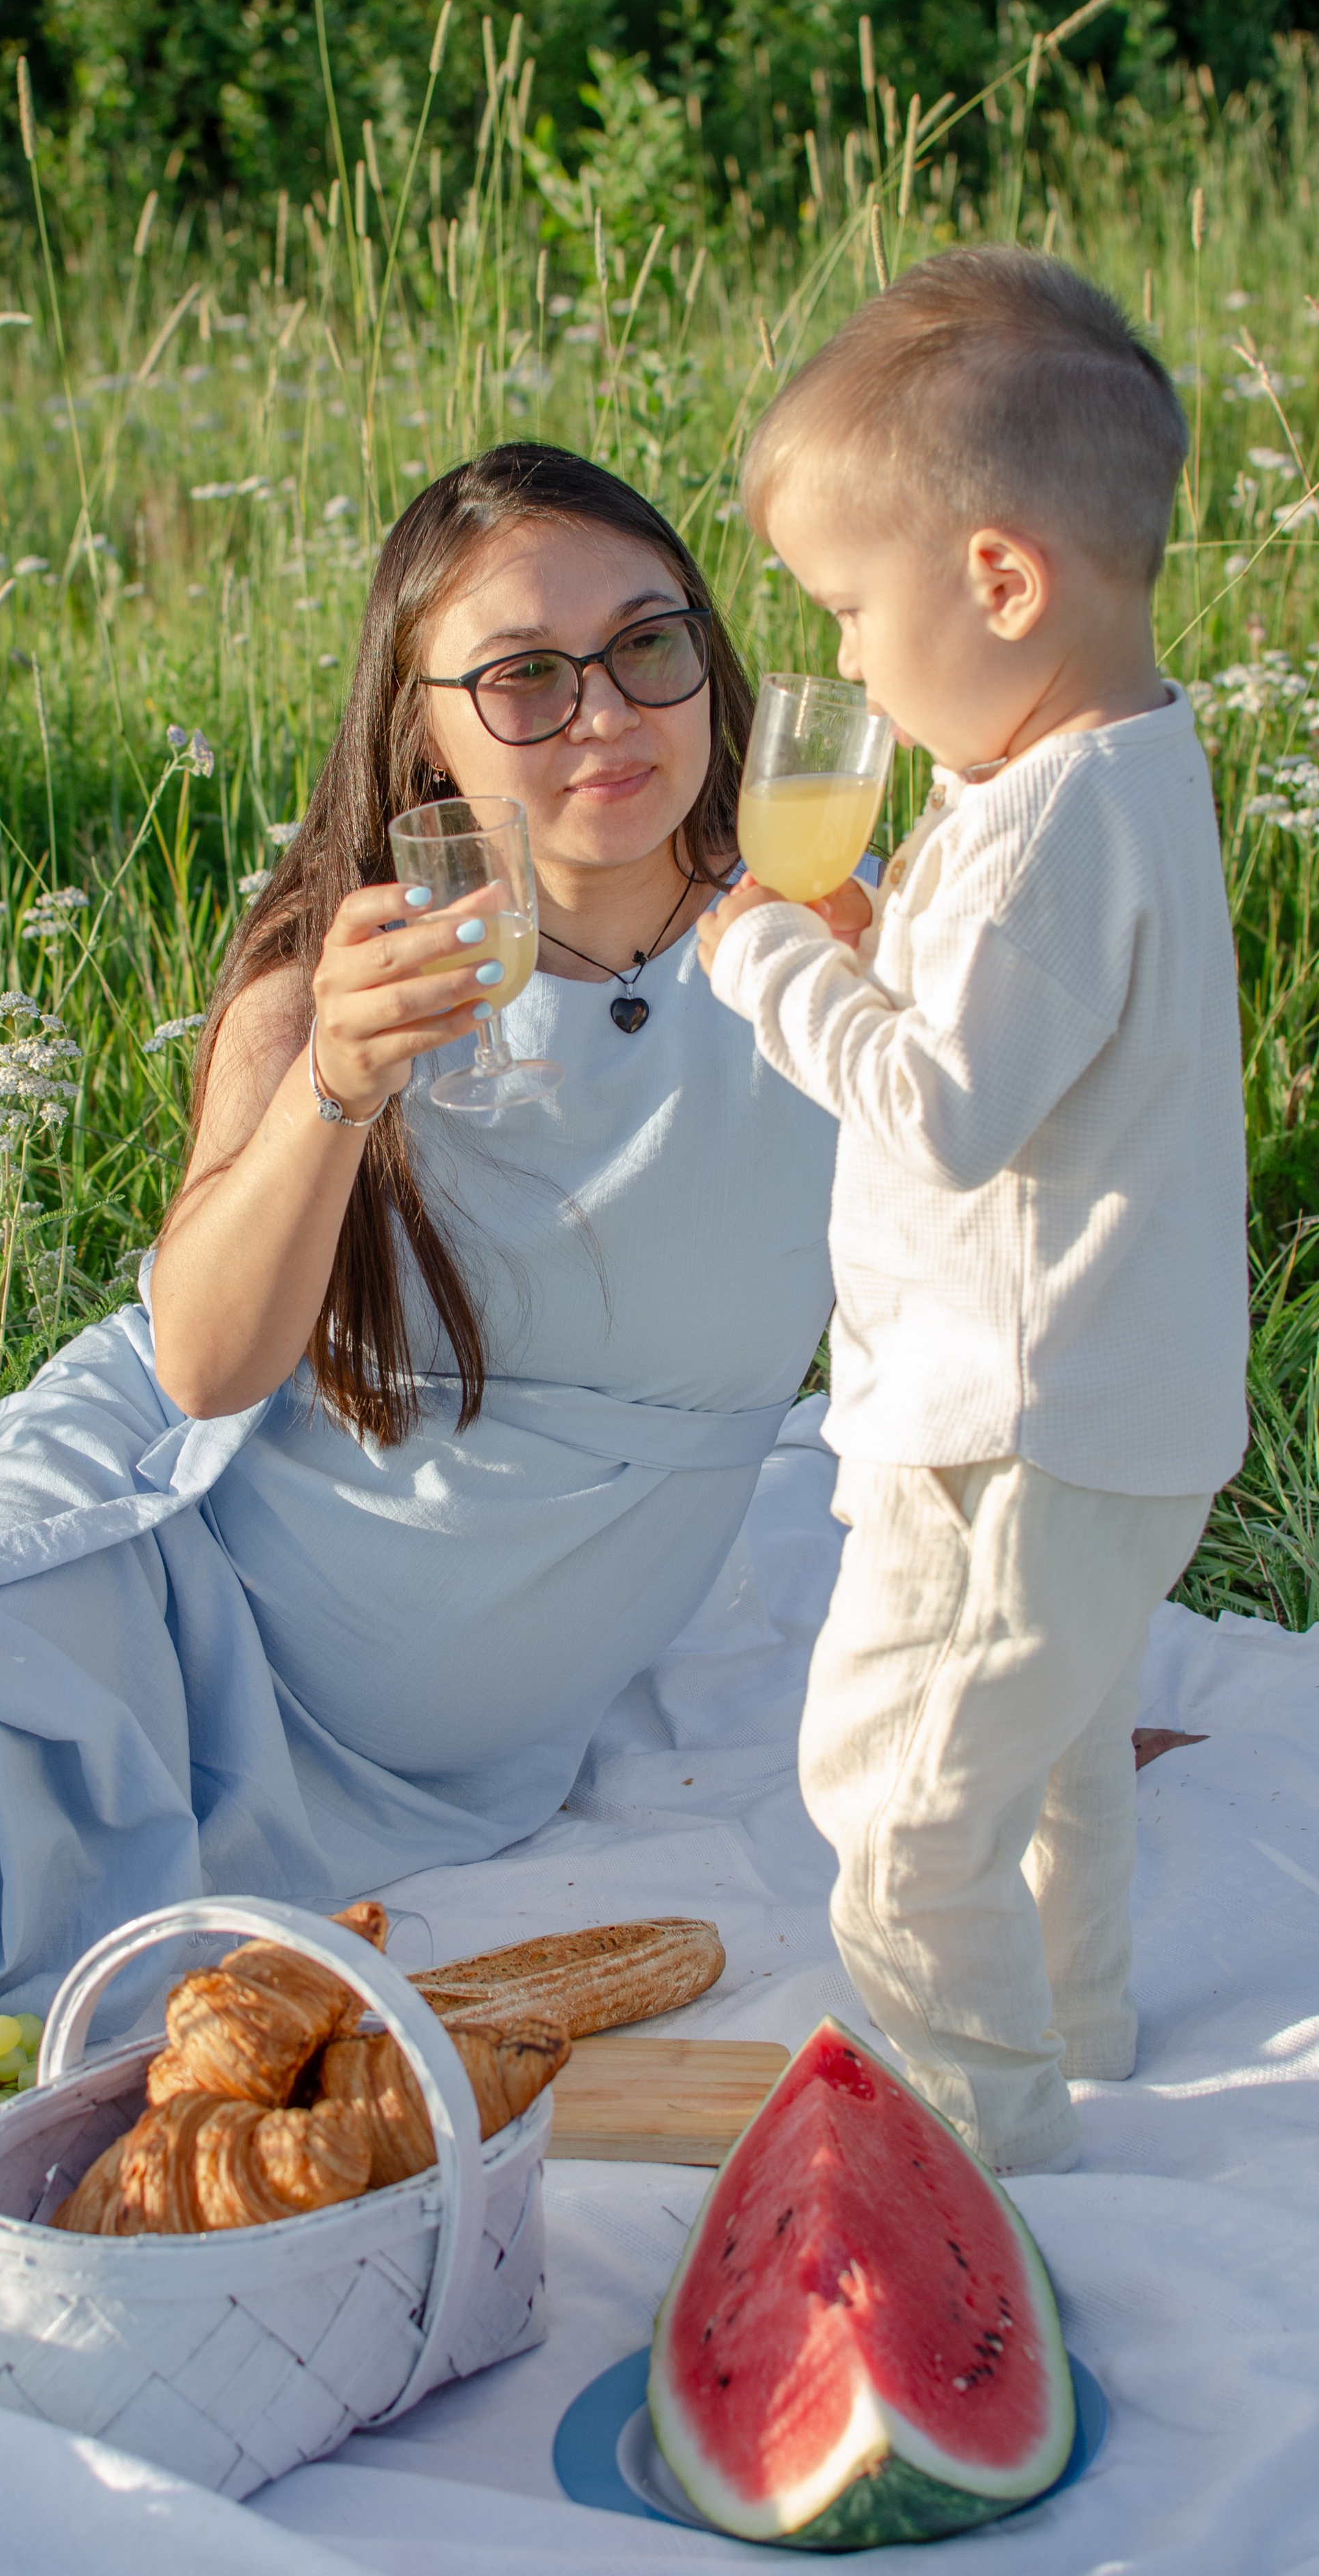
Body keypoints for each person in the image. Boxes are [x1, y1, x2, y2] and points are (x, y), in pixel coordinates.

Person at [0, 443, 865, 2086]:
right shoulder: (338, 974)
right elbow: (200, 1367)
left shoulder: (833, 944)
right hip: (165, 1561)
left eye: (646, 643)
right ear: (426, 731)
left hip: (400, 1781)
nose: (604, 712)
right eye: (523, 678)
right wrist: (337, 1078)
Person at [697, 248, 1250, 2175]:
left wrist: (773, 962)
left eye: (852, 608)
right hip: (1127, 1408)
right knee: (1061, 1748)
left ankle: (970, 2146)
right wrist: (879, 937)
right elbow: (1032, 1035)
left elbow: (940, 1113)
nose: (841, 662)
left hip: (1009, 1425)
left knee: (903, 1789)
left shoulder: (1034, 831)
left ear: (1001, 579)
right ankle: (1078, 2026)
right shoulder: (1120, 767)